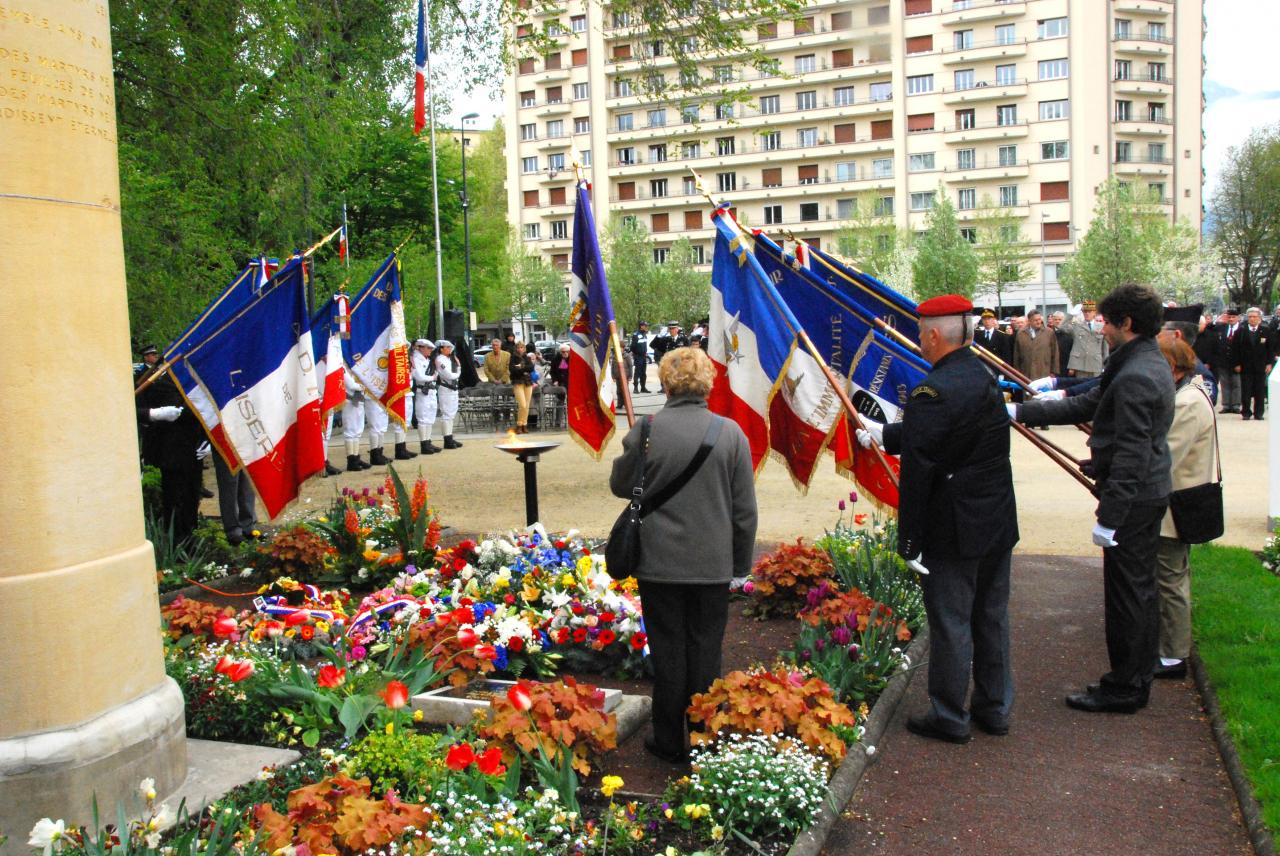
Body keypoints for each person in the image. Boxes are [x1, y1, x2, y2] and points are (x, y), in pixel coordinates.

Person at [855, 294, 1018, 743]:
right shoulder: (981, 374)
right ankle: (994, 706)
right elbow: (949, 432)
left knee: (951, 621)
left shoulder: (933, 390)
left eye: (920, 333)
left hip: (953, 526)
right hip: (995, 518)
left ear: (931, 334)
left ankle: (949, 714)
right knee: (991, 616)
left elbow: (922, 468)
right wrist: (884, 435)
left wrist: (909, 541)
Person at [1013, 283, 1174, 714]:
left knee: (1128, 599)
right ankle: (1133, 678)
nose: (1101, 328)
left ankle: (1124, 687)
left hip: (1134, 500)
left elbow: (1133, 455)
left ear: (1127, 324)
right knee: (1137, 593)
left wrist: (1111, 517)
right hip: (1143, 495)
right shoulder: (1139, 361)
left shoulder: (1137, 372)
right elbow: (1089, 401)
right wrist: (1020, 411)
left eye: (1106, 321)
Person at [609, 347, 757, 763]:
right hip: (712, 566)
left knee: (668, 651)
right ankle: (705, 736)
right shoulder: (730, 433)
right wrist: (740, 566)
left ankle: (669, 739)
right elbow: (745, 511)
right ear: (708, 380)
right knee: (707, 651)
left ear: (666, 382)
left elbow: (621, 486)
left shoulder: (648, 429)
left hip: (658, 564)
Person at [1152, 338, 1216, 681]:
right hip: (1175, 499)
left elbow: (1167, 455)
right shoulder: (1187, 393)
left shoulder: (1189, 401)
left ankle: (1173, 655)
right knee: (1168, 578)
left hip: (1175, 504)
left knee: (1170, 581)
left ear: (1174, 368)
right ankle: (1167, 648)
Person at [136, 374, 206, 547]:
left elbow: (204, 413)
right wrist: (153, 414)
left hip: (193, 449)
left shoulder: (193, 379)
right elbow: (132, 406)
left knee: (192, 495)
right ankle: (177, 542)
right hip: (171, 452)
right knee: (174, 498)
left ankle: (190, 539)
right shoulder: (159, 381)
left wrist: (207, 440)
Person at [1160, 304, 1218, 404]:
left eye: (1159, 332)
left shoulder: (1198, 373)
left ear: (1177, 335)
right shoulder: (1172, 365)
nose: (1155, 337)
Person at [1231, 306, 1274, 420]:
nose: (1252, 319)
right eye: (1250, 317)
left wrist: (1269, 364)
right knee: (1246, 390)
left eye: (1255, 317)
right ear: (1247, 318)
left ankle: (1259, 413)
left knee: (1260, 390)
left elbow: (1270, 349)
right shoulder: (1240, 332)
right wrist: (1236, 364)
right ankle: (1246, 412)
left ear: (1259, 318)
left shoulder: (1265, 331)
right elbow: (1235, 349)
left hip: (1260, 366)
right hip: (1245, 366)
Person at [212, 451, 257, 546]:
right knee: (229, 485)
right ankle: (233, 531)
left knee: (247, 483)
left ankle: (248, 527)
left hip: (246, 441)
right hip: (225, 443)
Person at [411, 339, 440, 454]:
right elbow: (419, 376)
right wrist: (432, 378)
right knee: (423, 418)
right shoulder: (416, 360)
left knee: (430, 418)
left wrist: (433, 377)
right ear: (421, 348)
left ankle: (428, 441)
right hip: (422, 391)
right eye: (428, 348)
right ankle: (424, 444)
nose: (430, 351)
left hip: (431, 391)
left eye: (431, 349)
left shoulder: (427, 360)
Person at [1013, 309, 1059, 380]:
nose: (1038, 322)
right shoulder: (1021, 333)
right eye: (1035, 320)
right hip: (1026, 373)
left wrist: (1053, 372)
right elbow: (1017, 355)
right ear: (1029, 321)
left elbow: (1055, 353)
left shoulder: (1049, 333)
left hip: (1044, 372)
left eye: (1039, 319)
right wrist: (1017, 372)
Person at [1066, 300, 1108, 378]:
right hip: (1080, 365)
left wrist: (1106, 365)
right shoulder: (1077, 326)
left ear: (1094, 312)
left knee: (1095, 387)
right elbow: (1063, 327)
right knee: (1081, 388)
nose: (1087, 313)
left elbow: (1105, 348)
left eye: (1089, 311)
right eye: (1085, 311)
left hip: (1095, 365)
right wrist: (1071, 314)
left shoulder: (1101, 326)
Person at [434, 340, 463, 449]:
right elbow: (449, 375)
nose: (450, 349)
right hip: (446, 389)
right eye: (447, 347)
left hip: (452, 389)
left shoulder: (448, 359)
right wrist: (459, 370)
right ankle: (447, 440)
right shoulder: (439, 359)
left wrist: (457, 371)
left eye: (450, 348)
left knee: (451, 414)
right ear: (441, 349)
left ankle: (450, 437)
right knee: (446, 415)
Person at [342, 373, 371, 472]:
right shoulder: (343, 367)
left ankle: (356, 457)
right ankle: (351, 460)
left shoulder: (356, 367)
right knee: (350, 431)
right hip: (349, 401)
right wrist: (364, 386)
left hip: (359, 400)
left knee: (358, 431)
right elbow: (351, 385)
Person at [1216, 308, 1242, 414]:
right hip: (1224, 361)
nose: (1231, 319)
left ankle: (1236, 405)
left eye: (1233, 317)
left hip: (1237, 362)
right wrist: (1220, 319)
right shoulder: (1222, 328)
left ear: (1238, 318)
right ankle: (1226, 405)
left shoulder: (1242, 329)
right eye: (1229, 317)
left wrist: (1240, 363)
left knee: (1236, 384)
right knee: (1224, 383)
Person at [510, 341, 536, 434]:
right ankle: (519, 425)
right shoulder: (513, 358)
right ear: (516, 348)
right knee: (522, 405)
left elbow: (531, 368)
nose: (520, 349)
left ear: (524, 349)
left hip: (527, 382)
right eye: (518, 347)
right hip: (517, 382)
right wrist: (524, 370)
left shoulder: (527, 358)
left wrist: (521, 368)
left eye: (521, 347)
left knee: (527, 405)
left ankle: (524, 425)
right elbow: (512, 370)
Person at [629, 321, 651, 392]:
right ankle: (635, 388)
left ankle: (643, 387)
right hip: (638, 356)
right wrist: (636, 354)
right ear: (641, 326)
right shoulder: (636, 335)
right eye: (645, 326)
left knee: (643, 373)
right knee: (637, 372)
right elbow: (632, 347)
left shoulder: (644, 334)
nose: (646, 327)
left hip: (644, 356)